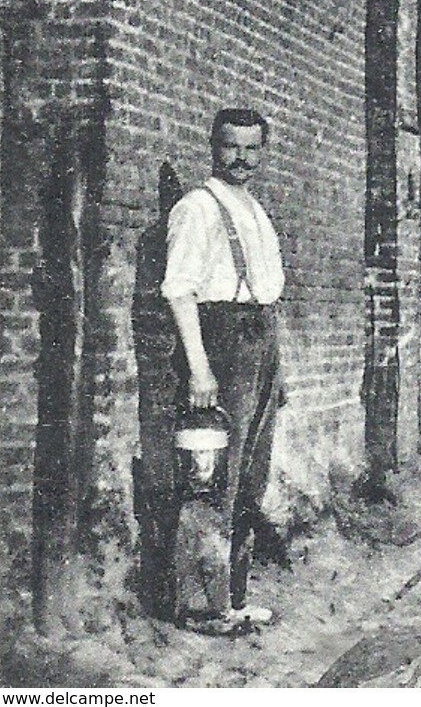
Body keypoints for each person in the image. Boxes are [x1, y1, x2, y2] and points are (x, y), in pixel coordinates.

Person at [159, 107, 285, 634]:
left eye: (252, 148)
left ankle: (231, 598)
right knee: (210, 480)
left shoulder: (254, 209)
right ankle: (198, 605)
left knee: (249, 479)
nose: (242, 158)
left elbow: (267, 292)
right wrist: (199, 368)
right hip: (220, 341)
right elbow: (178, 289)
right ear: (214, 146)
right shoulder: (197, 207)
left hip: (260, 341)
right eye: (232, 146)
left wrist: (278, 371)